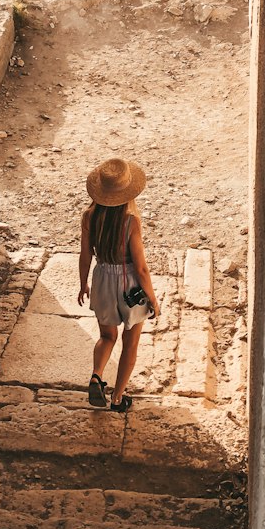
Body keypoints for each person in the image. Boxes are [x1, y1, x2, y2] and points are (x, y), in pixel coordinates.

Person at [77, 158, 161, 413]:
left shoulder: (89, 217)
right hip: (128, 286)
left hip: (101, 278)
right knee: (130, 342)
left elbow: (85, 255)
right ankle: (117, 398)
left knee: (106, 336)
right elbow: (141, 267)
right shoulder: (130, 221)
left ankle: (96, 376)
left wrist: (83, 284)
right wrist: (153, 299)